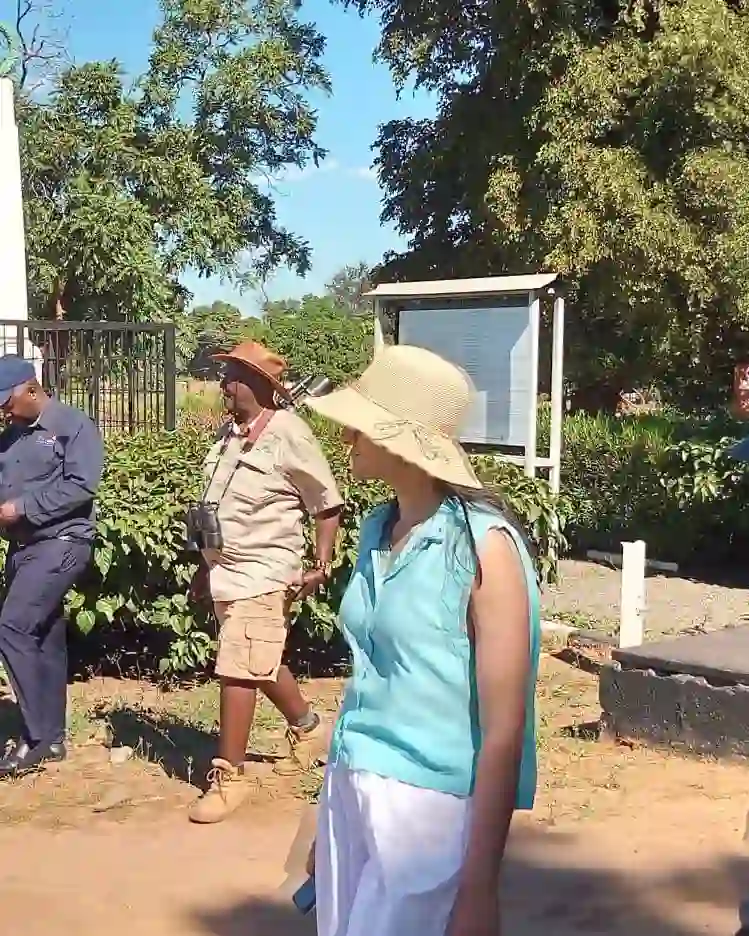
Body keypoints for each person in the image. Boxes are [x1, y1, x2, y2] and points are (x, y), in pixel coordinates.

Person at [303, 344, 541, 936]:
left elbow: (504, 730)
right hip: (351, 781)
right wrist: (325, 819)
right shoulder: (376, 528)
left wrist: (479, 889)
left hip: (428, 812)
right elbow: (370, 677)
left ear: (402, 441)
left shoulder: (484, 548)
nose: (346, 436)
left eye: (361, 425)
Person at [189, 340, 343, 825]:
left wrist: (320, 564)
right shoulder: (229, 435)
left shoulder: (289, 433)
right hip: (226, 570)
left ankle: (228, 776)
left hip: (265, 568)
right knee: (257, 657)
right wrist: (204, 566)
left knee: (237, 666)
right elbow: (213, 503)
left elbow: (326, 502)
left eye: (231, 377)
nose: (222, 385)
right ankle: (308, 727)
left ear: (256, 384)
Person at [0, 355, 103, 779]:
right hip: (23, 549)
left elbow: (81, 486)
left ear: (31, 389)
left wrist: (20, 508)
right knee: (43, 636)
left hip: (62, 543)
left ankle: (36, 738)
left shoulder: (73, 425)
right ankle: (53, 739)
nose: (4, 411)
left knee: (12, 626)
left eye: (6, 402)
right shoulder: (10, 436)